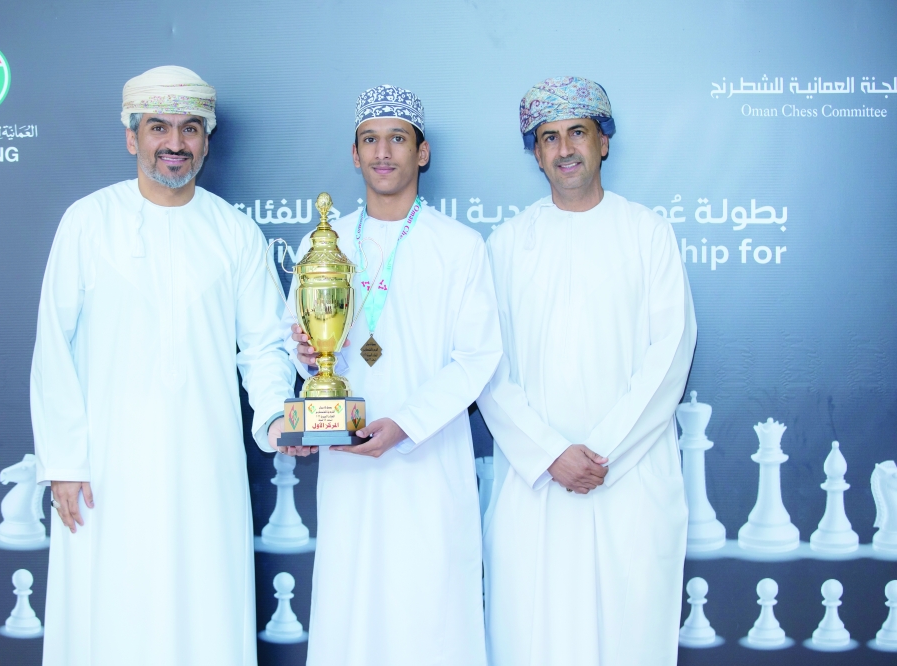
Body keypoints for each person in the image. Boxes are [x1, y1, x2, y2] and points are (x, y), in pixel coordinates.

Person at [31, 65, 295, 666]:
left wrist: (277, 417)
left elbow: (263, 346)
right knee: (109, 616)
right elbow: (54, 346)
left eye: (190, 129)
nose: (174, 143)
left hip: (205, 469)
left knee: (203, 613)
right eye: (158, 127)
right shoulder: (86, 222)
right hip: (104, 470)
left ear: (207, 139)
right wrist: (65, 462)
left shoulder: (235, 233)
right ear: (132, 136)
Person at [274, 84, 500, 666]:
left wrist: (406, 423)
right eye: (370, 140)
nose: (383, 152)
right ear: (354, 154)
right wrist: (306, 352)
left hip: (428, 462)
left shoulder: (460, 246)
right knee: (353, 611)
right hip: (347, 463)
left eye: (397, 139)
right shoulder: (323, 243)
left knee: (431, 612)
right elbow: (295, 345)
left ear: (420, 152)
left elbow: (476, 357)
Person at [477, 76, 697, 666]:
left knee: (628, 633)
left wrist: (599, 452)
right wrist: (550, 453)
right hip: (537, 483)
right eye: (549, 137)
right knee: (534, 635)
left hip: (628, 477)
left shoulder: (647, 232)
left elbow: (670, 352)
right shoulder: (506, 244)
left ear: (604, 142)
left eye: (578, 132)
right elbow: (487, 366)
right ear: (536, 152)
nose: (565, 148)